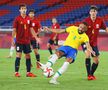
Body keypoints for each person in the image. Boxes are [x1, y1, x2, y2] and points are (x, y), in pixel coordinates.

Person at [13, 4, 40, 77]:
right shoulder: (17, 19)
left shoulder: (28, 19)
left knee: (28, 56)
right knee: (18, 55)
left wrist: (36, 37)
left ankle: (28, 73)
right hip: (19, 41)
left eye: (25, 8)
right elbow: (14, 30)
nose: (24, 10)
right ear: (19, 10)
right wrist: (13, 39)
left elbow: (31, 29)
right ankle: (16, 72)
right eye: (22, 8)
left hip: (27, 41)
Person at [82, 5, 108, 80]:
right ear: (89, 12)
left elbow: (105, 28)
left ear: (97, 12)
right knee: (88, 54)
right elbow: (80, 31)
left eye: (94, 11)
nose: (93, 13)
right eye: (92, 11)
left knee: (96, 61)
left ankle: (91, 74)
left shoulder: (100, 20)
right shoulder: (85, 21)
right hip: (86, 42)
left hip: (94, 43)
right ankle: (89, 75)